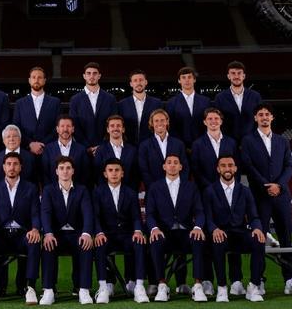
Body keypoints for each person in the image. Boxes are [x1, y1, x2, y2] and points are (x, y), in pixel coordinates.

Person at [240, 102, 292, 296]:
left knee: (286, 239)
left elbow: (289, 166)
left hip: (281, 196)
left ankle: (290, 280)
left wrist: (279, 185)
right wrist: (266, 185)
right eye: (260, 114)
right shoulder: (248, 141)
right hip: (260, 196)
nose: (264, 117)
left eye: (267, 114)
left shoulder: (282, 141)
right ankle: (259, 280)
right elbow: (248, 166)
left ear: (272, 118)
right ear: (255, 118)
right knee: (259, 239)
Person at [0, 152, 42, 305]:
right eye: (9, 164)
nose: (12, 167)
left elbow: (35, 214)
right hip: (1, 235)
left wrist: (35, 229)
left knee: (34, 241)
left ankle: (30, 288)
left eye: (15, 164)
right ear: (3, 167)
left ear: (21, 167)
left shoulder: (31, 188)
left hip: (22, 235)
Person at [202, 155, 266, 303]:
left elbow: (254, 216)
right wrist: (214, 229)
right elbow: (207, 217)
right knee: (217, 242)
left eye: (230, 165)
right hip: (220, 233)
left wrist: (257, 228)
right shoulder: (209, 191)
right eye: (223, 166)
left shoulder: (245, 190)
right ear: (218, 169)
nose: (227, 168)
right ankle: (222, 288)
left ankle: (254, 286)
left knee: (258, 239)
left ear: (235, 168)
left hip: (240, 233)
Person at [145, 154, 209, 303]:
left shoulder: (191, 186)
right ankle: (162, 285)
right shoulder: (155, 187)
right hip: (164, 232)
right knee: (155, 240)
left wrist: (198, 227)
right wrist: (154, 228)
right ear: (164, 167)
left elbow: (199, 211)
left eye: (176, 163)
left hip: (186, 231)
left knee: (198, 239)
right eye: (169, 162)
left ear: (181, 167)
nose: (172, 165)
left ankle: (198, 285)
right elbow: (150, 213)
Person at [190, 108, 240, 296]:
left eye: (216, 118)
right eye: (209, 118)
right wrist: (213, 187)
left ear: (221, 121)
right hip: (207, 194)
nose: (213, 121)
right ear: (204, 122)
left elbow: (236, 167)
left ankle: (236, 280)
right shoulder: (197, 144)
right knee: (209, 239)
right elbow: (195, 169)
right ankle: (208, 280)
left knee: (234, 234)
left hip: (230, 194)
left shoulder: (231, 143)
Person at [39, 157, 95, 305]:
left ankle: (83, 289)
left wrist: (87, 233)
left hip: (77, 234)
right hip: (56, 234)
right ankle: (49, 290)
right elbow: (45, 213)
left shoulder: (82, 190)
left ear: (73, 171)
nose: (65, 171)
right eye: (62, 168)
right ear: (57, 171)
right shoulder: (48, 190)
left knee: (86, 244)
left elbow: (88, 213)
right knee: (48, 245)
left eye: (68, 168)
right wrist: (48, 233)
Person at [92, 159, 149, 304]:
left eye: (117, 170)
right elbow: (96, 217)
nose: (114, 173)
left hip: (126, 234)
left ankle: (139, 286)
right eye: (110, 170)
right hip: (107, 235)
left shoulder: (130, 192)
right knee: (99, 245)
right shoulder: (98, 192)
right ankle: (103, 287)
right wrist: (98, 233)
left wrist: (137, 231)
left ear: (122, 173)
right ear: (105, 174)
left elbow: (136, 216)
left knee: (139, 242)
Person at [68, 62, 118, 156]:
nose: (92, 76)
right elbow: (75, 125)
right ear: (84, 76)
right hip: (83, 149)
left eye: (95, 73)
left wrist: (102, 146)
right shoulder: (75, 100)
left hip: (106, 148)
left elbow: (113, 124)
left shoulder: (110, 98)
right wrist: (86, 146)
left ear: (99, 76)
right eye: (88, 73)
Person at [13, 66, 61, 155]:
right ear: (29, 80)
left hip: (48, 150)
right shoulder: (20, 103)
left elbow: (57, 127)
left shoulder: (55, 102)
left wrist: (43, 144)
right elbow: (16, 127)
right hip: (26, 150)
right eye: (34, 77)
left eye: (40, 77)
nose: (36, 80)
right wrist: (30, 143)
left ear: (44, 80)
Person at [212, 61, 262, 146]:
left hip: (252, 142)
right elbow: (218, 121)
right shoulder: (220, 97)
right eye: (233, 73)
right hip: (228, 142)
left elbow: (259, 119)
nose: (236, 76)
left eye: (239, 73)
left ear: (244, 76)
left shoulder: (255, 96)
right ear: (228, 76)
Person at [138, 109, 188, 188]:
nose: (160, 123)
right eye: (156, 121)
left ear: (167, 122)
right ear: (151, 123)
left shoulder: (179, 144)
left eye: (162, 120)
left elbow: (185, 168)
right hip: (153, 189)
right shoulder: (144, 145)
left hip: (177, 188)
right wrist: (154, 187)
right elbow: (144, 170)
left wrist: (179, 186)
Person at [165, 67, 210, 150]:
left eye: (189, 77)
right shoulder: (171, 103)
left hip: (203, 145)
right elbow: (170, 127)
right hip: (179, 146)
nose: (187, 80)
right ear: (179, 80)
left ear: (194, 79)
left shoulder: (206, 101)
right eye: (183, 77)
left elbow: (208, 125)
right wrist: (179, 144)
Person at [42, 115, 91, 186]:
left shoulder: (82, 150)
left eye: (68, 126)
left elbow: (85, 175)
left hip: (76, 193)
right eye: (62, 126)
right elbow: (45, 174)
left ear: (73, 129)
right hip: (53, 193)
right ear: (57, 129)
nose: (65, 129)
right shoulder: (48, 149)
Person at [117, 69, 163, 146]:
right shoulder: (122, 104)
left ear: (146, 82)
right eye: (135, 80)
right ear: (131, 84)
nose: (138, 83)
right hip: (128, 145)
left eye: (141, 80)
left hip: (151, 145)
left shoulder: (157, 103)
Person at [92, 115, 139, 190]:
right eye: (112, 126)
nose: (115, 128)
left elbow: (136, 175)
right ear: (108, 129)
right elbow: (98, 175)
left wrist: (129, 191)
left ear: (123, 129)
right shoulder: (100, 150)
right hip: (106, 194)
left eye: (118, 126)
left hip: (128, 193)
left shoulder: (132, 150)